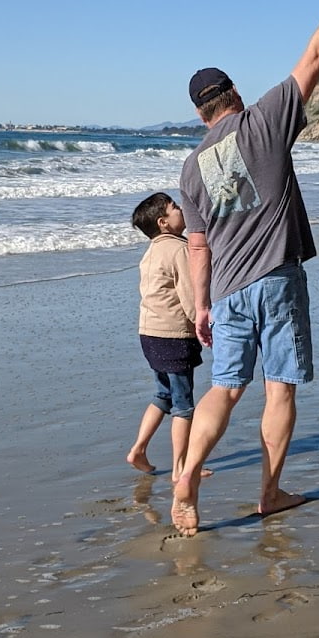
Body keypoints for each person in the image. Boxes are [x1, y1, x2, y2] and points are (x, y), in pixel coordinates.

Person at [171, 0, 319, 536]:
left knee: (224, 389)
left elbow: (197, 246)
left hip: (229, 292)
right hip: (278, 280)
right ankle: (269, 492)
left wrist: (201, 305)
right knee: (279, 386)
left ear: (199, 114)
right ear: (233, 95)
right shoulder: (264, 120)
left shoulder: (190, 170)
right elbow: (318, 54)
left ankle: (187, 470)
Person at [126, 192, 204, 481]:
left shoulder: (151, 252)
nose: (181, 209)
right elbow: (189, 296)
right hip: (173, 336)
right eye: (175, 208)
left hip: (149, 334)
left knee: (163, 394)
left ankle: (139, 449)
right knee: (183, 404)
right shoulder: (178, 249)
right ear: (164, 223)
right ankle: (180, 468)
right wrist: (203, 325)